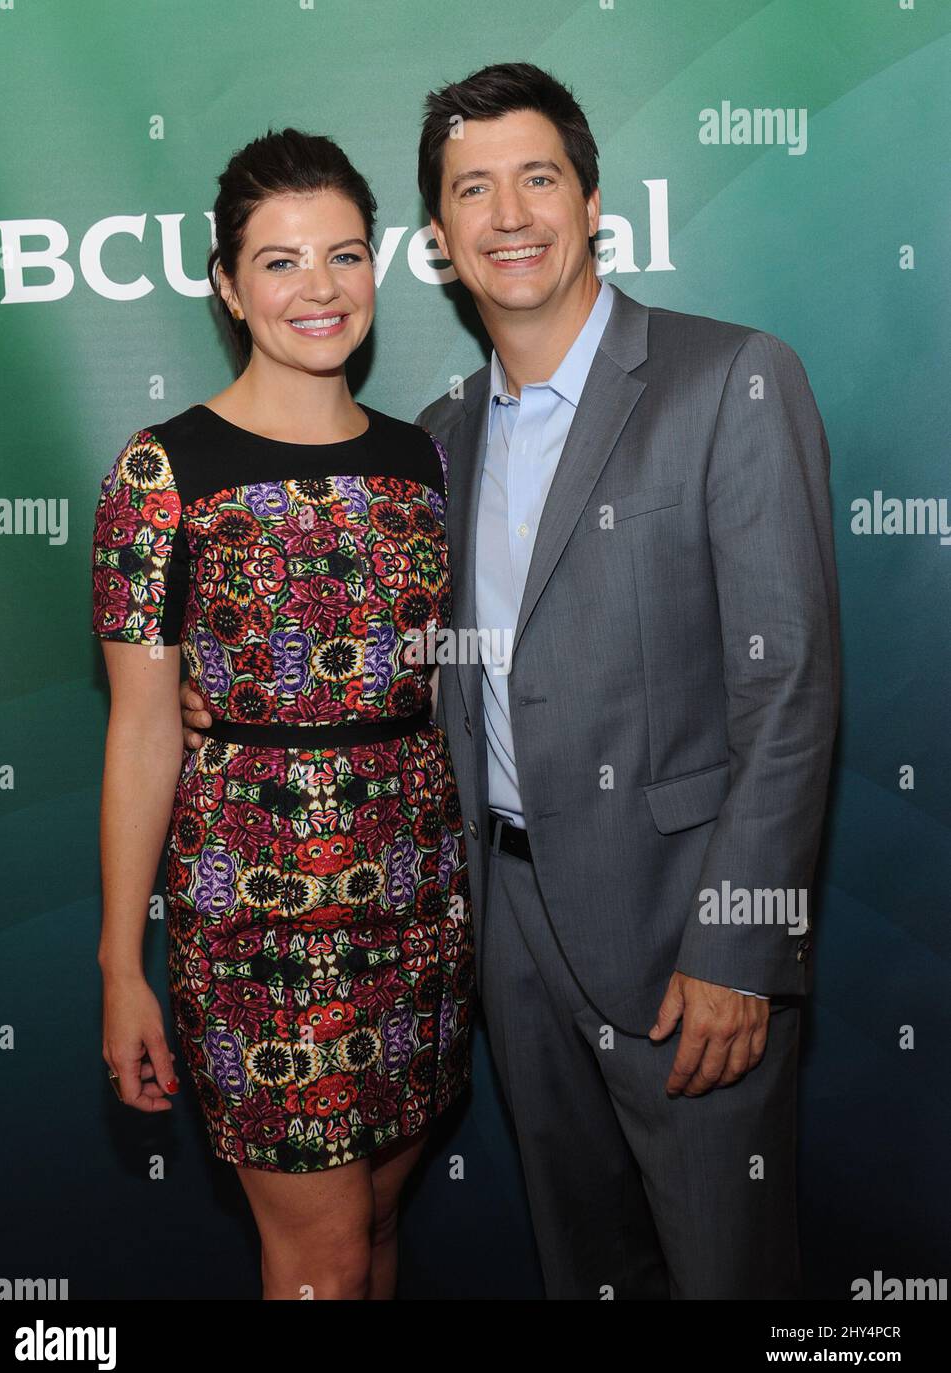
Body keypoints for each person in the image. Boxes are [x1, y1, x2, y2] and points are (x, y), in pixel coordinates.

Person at [183, 64, 841, 1300]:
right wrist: (220, 692)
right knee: (582, 1270)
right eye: (469, 190)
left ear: (591, 200)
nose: (507, 215)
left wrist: (741, 948)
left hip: (682, 936)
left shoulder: (729, 379)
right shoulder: (436, 438)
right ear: (437, 238)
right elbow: (396, 654)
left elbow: (790, 690)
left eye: (535, 177)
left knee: (726, 1276)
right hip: (501, 939)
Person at [92, 127, 474, 1301]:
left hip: (420, 899)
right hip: (252, 913)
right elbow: (145, 726)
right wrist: (121, 961)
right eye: (279, 261)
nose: (319, 288)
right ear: (225, 285)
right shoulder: (159, 475)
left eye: (345, 254)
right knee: (319, 1254)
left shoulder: (422, 459)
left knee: (372, 1227)